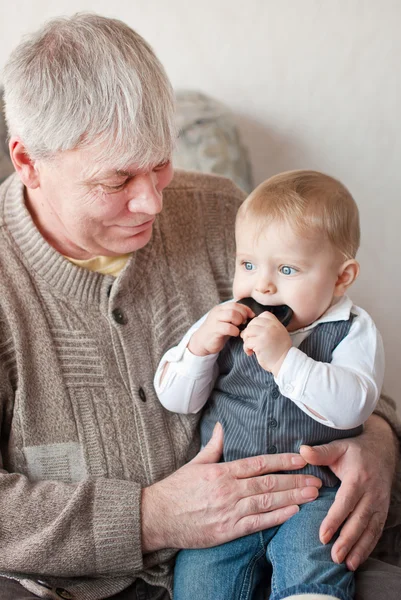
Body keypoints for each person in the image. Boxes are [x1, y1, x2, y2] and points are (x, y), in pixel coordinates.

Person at [0, 12, 400, 600]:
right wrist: (147, 515)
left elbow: (336, 343)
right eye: (117, 182)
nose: (153, 202)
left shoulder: (219, 214)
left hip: (286, 539)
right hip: (65, 584)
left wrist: (381, 440)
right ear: (28, 162)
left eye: (160, 162)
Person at [154, 170, 384, 600]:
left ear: (341, 277)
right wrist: (200, 349)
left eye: (287, 268)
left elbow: (353, 405)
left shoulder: (352, 330)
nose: (262, 284)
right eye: (248, 265)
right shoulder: (222, 321)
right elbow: (176, 399)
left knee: (315, 560)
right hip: (226, 498)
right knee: (200, 577)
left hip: (314, 493)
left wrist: (285, 359)